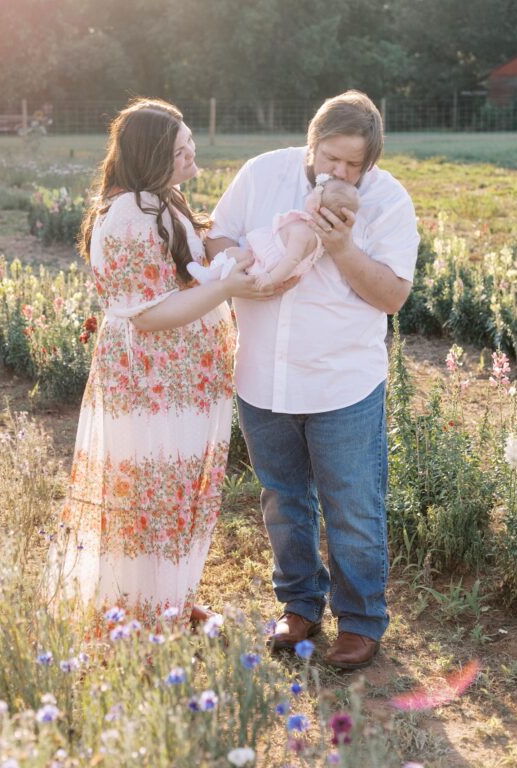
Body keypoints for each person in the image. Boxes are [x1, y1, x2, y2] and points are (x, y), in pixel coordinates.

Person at [206, 90, 419, 670]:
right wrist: (244, 264)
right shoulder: (261, 174)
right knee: (282, 499)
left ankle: (361, 621)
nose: (340, 172)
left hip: (341, 381)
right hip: (262, 375)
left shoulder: (387, 200)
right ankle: (300, 604)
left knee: (353, 505)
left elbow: (394, 295)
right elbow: (216, 235)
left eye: (354, 164)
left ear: (370, 162)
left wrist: (342, 247)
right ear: (311, 140)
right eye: (331, 157)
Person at [46, 98, 266, 629]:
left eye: (191, 145)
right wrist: (227, 289)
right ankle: (138, 607)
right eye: (181, 152)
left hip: (184, 379)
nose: (193, 157)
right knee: (150, 493)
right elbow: (147, 314)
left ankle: (169, 593)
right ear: (150, 156)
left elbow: (183, 274)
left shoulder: (160, 200)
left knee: (176, 491)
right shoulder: (126, 217)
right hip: (153, 380)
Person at [190, 176, 360, 290]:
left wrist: (270, 278)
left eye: (312, 194)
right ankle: (214, 275)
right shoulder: (316, 234)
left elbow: (291, 259)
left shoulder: (304, 232)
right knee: (238, 251)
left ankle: (210, 276)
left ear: (318, 207)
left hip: (266, 262)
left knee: (233, 253)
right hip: (266, 258)